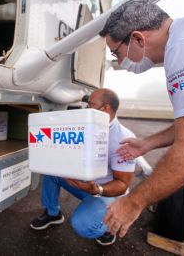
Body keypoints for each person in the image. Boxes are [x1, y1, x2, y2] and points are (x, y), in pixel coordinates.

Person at [98, 0, 184, 255]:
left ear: (138, 39)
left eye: (116, 52)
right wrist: (148, 143)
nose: (119, 61)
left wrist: (133, 202)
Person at [30, 88, 136, 246]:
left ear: (105, 109)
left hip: (106, 193)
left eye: (91, 104)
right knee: (51, 171)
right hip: (84, 183)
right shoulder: (86, 124)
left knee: (83, 225)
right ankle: (53, 214)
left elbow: (122, 185)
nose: (87, 108)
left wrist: (97, 190)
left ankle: (108, 228)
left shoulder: (122, 139)